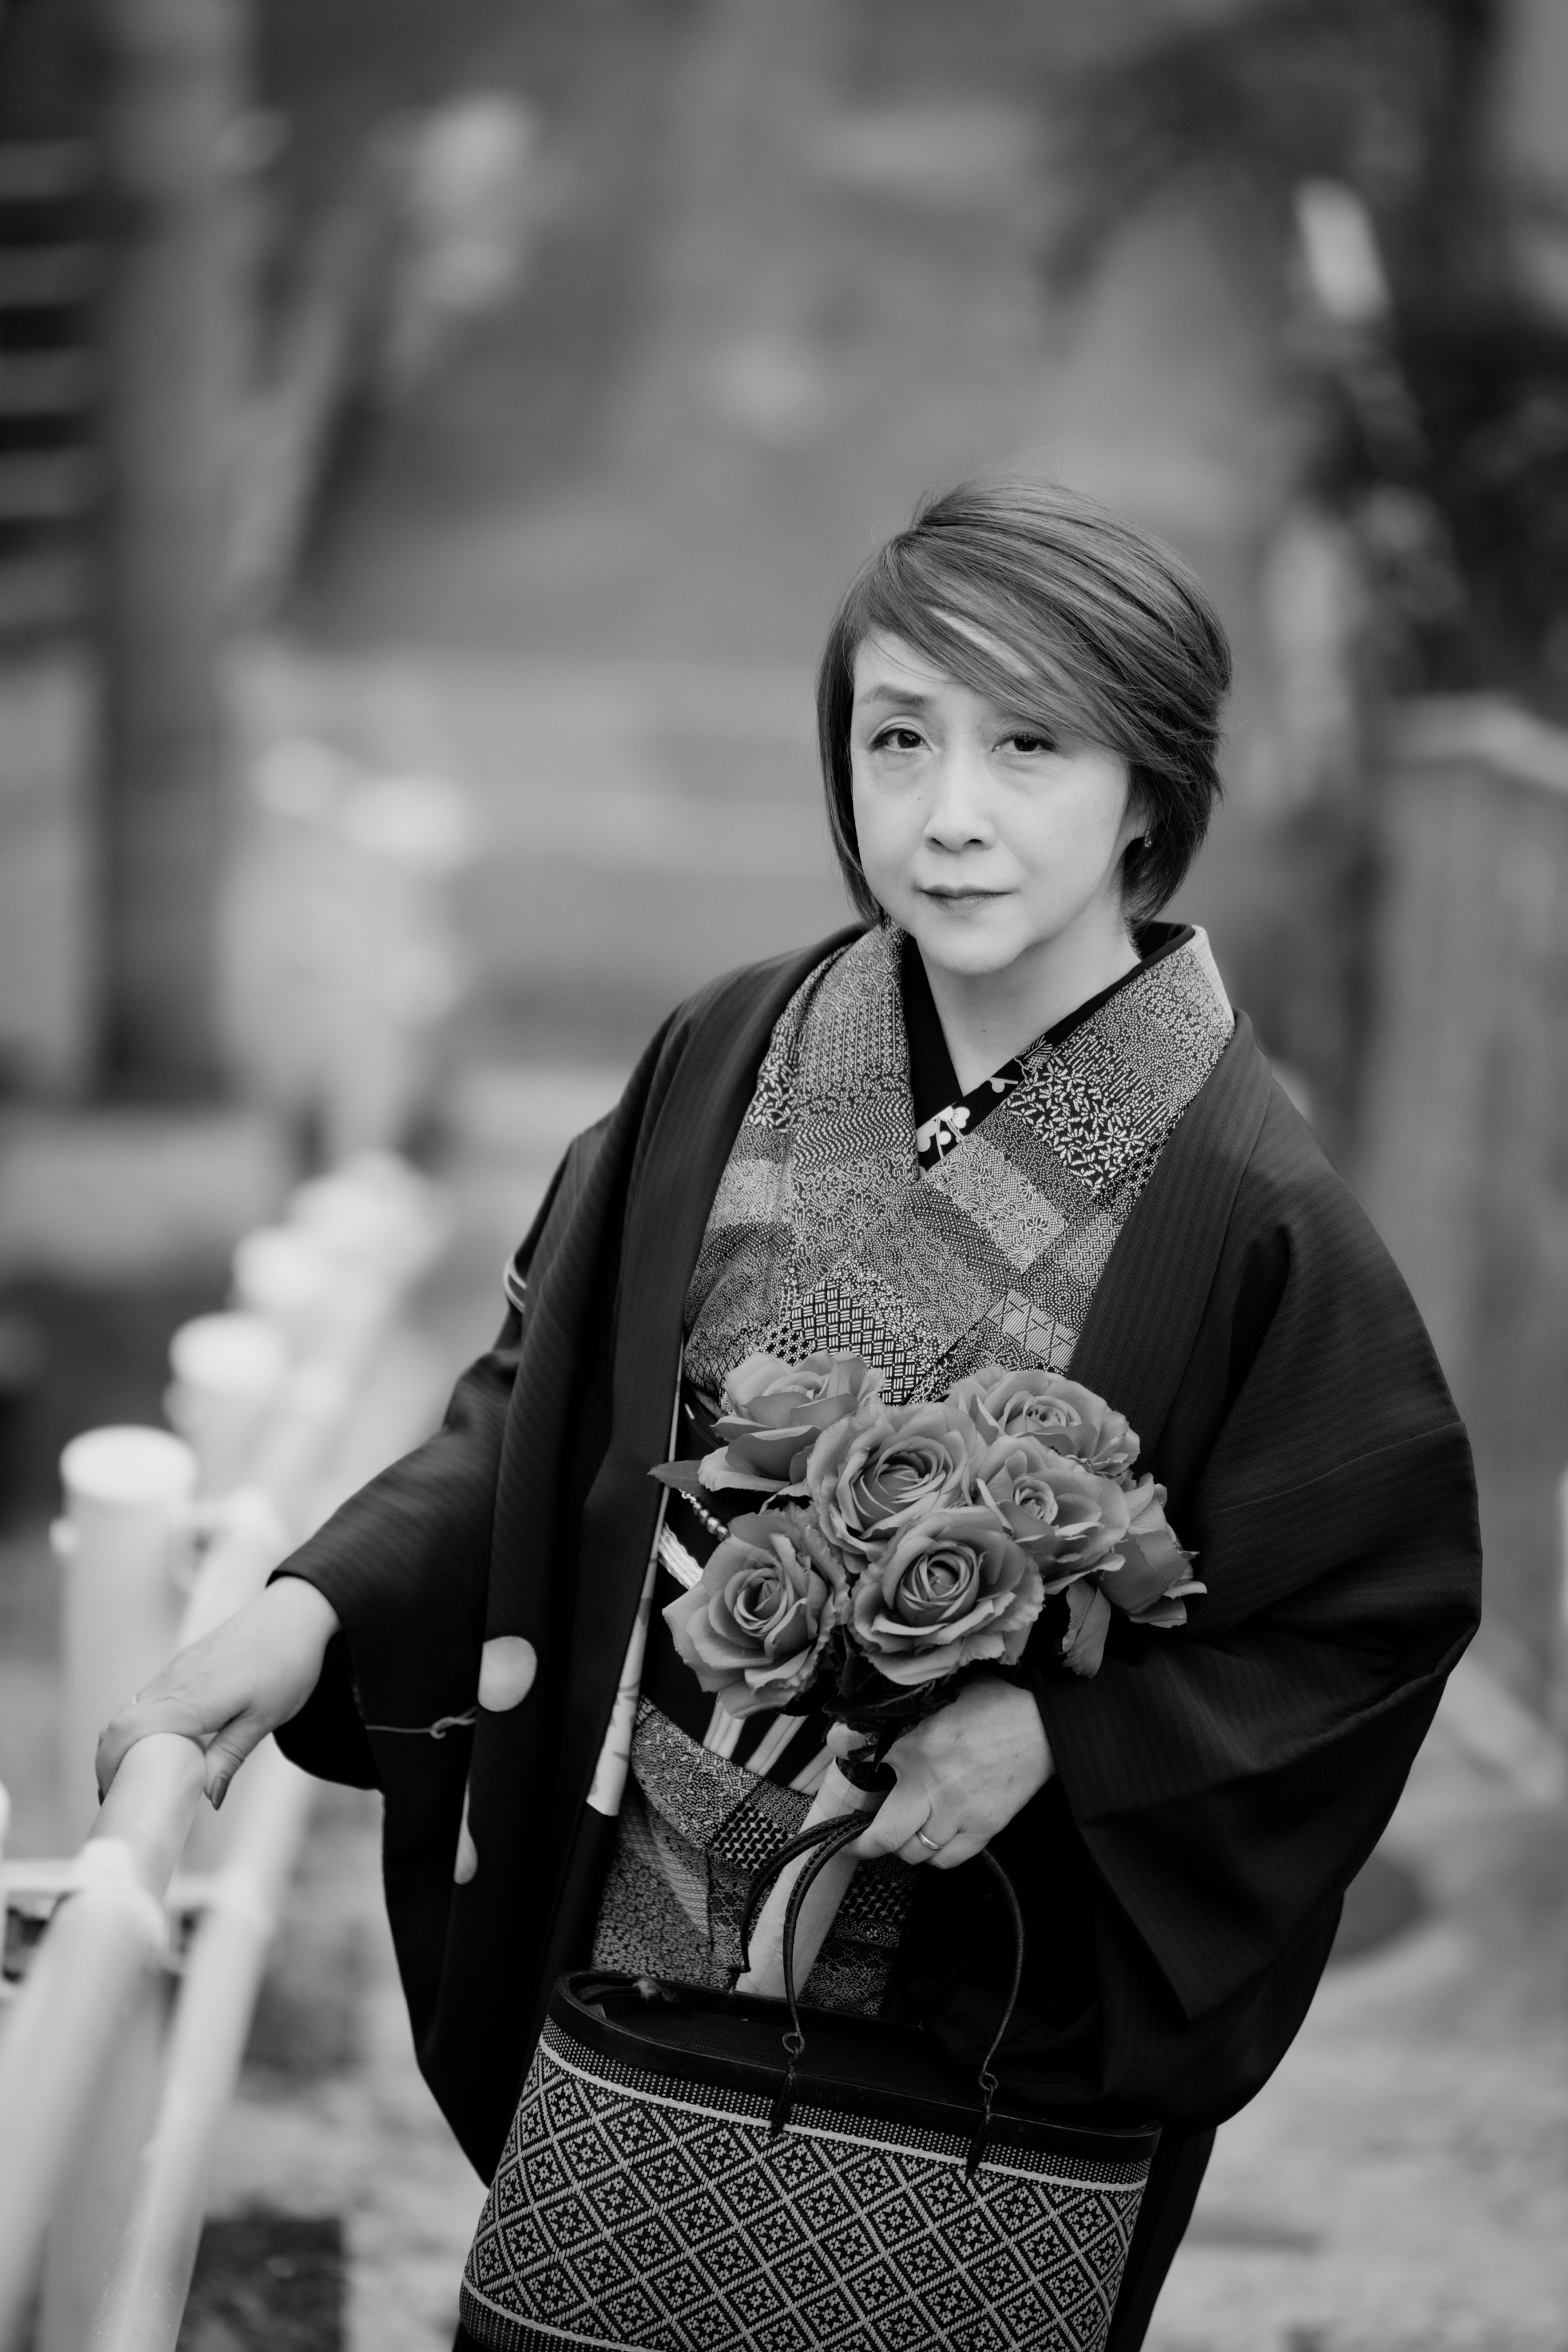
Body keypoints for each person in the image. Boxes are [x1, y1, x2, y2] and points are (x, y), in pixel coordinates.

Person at [100, 480, 1480, 2352]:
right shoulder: (732, 1049)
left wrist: (1066, 1742)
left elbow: (1373, 1615)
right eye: (896, 738)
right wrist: (308, 1610)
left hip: (987, 2054)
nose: (950, 813)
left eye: (1029, 745)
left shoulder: (1250, 1206)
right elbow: (543, 1417)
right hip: (637, 1977)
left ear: (1150, 789)